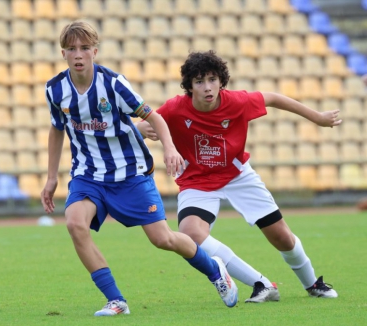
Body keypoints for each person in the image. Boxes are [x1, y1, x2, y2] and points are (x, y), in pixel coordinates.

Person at [40, 22, 238, 316]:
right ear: (63, 53)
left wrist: (169, 148)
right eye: (71, 49)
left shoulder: (114, 84)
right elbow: (57, 129)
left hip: (130, 175)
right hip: (88, 175)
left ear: (95, 51)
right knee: (74, 223)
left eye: (84, 48)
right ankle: (116, 300)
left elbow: (154, 117)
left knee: (163, 239)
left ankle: (215, 270)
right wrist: (51, 177)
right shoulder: (55, 89)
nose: (78, 54)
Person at [136, 50, 339, 302]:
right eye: (199, 82)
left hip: (237, 175)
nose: (207, 87)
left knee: (282, 237)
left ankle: (312, 284)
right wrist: (139, 129)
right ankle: (262, 284)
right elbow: (146, 124)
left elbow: (274, 98)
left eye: (212, 79)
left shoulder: (238, 102)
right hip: (197, 181)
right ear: (189, 86)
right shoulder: (175, 108)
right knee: (190, 232)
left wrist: (318, 117)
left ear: (222, 80)